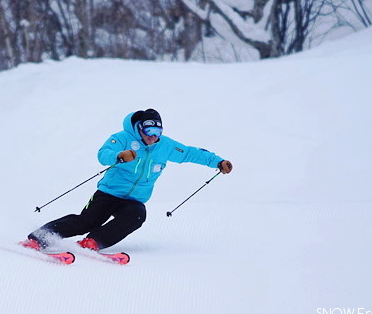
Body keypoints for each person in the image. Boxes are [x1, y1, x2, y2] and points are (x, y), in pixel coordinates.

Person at [21, 108, 233, 251]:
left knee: (137, 215)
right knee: (86, 221)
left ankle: (93, 242)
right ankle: (40, 237)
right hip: (109, 192)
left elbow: (190, 153)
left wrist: (218, 161)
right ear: (140, 128)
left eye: (157, 130)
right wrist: (119, 155)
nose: (153, 135)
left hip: (134, 200)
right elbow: (103, 153)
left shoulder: (165, 145)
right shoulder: (123, 138)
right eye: (149, 130)